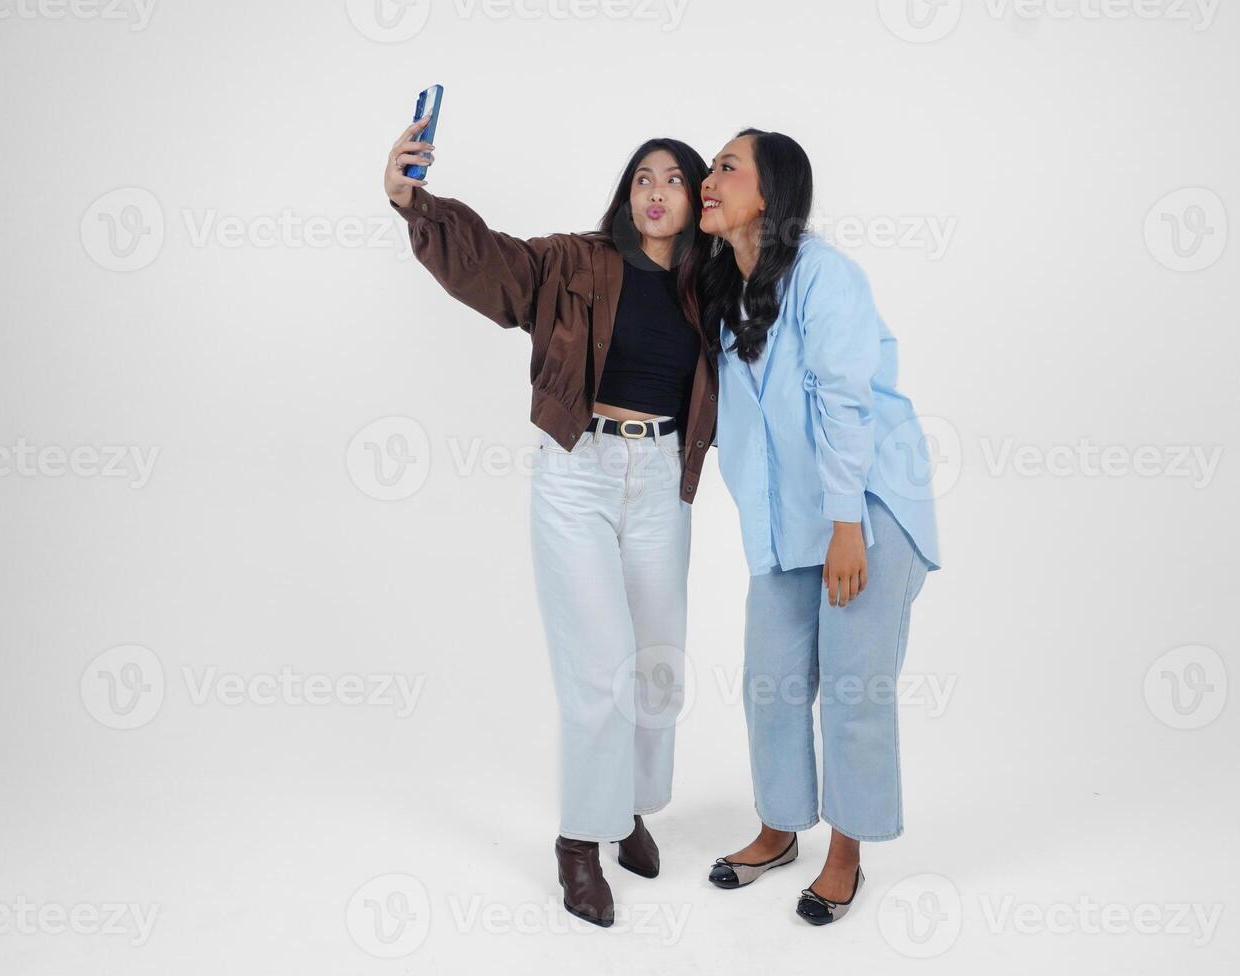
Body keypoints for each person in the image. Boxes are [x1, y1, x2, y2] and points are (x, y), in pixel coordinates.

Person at [384, 118, 718, 928]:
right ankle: (579, 843)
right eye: (643, 176)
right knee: (598, 672)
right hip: (578, 474)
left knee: (658, 669)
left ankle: (629, 808)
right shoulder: (572, 262)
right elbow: (490, 263)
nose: (655, 191)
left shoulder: (712, 287)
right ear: (625, 192)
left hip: (662, 478)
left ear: (696, 197)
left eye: (674, 179)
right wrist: (411, 199)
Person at [698, 128, 942, 925]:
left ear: (769, 195)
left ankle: (847, 855)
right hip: (790, 523)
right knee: (768, 681)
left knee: (852, 688)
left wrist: (846, 527)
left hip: (863, 509)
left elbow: (845, 402)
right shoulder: (724, 290)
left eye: (726, 166)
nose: (709, 176)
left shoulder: (824, 276)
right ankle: (777, 829)